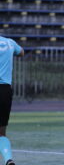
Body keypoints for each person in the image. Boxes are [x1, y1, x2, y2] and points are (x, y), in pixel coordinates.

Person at [0, 36, 24, 165]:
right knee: (1, 132)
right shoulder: (9, 42)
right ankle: (8, 159)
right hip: (5, 90)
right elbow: (21, 52)